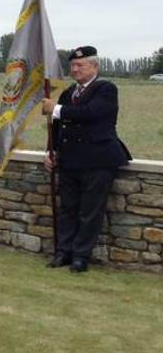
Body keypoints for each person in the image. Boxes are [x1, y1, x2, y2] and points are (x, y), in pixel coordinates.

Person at [42, 45, 131, 273]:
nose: (75, 69)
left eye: (80, 65)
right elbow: (57, 127)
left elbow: (91, 113)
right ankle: (63, 252)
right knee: (68, 209)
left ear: (94, 66)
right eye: (72, 65)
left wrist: (56, 109)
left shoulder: (106, 89)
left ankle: (81, 256)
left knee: (90, 211)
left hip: (98, 160)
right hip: (70, 160)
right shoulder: (68, 93)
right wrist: (50, 151)